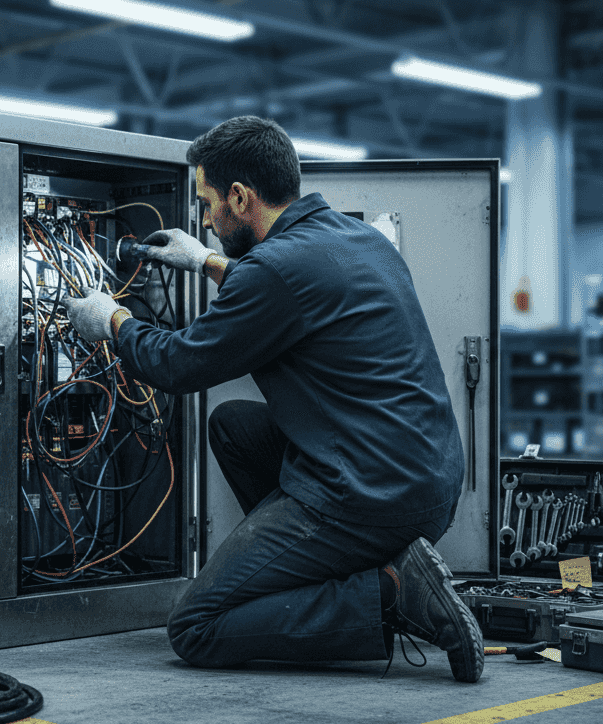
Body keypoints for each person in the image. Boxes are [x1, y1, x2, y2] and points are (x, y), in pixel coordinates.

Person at [62, 116, 483, 682]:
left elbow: (179, 363)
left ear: (240, 197)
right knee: (233, 425)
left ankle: (390, 591)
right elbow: (289, 290)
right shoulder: (358, 239)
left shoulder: (274, 269)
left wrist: (112, 320)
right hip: (427, 480)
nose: (205, 220)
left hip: (370, 494)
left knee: (195, 627)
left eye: (207, 203)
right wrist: (206, 261)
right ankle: (321, 568)